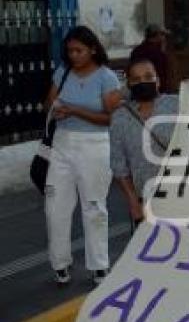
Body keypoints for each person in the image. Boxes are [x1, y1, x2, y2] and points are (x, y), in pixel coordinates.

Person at [45, 26, 122, 286]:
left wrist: (75, 110)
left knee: (94, 206)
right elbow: (49, 103)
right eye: (70, 50)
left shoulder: (106, 77)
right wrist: (55, 111)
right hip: (62, 144)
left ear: (92, 49)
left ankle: (99, 264)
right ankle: (59, 263)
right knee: (55, 207)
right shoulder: (63, 72)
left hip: (95, 145)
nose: (74, 55)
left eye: (79, 50)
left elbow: (111, 119)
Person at [110, 59, 178, 229]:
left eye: (148, 76)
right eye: (136, 79)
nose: (143, 82)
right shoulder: (120, 117)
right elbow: (118, 166)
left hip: (184, 194)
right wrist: (133, 201)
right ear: (129, 85)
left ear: (158, 80)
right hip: (146, 200)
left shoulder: (179, 104)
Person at [130, 24, 172, 93]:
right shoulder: (157, 53)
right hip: (156, 91)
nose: (164, 38)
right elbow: (163, 74)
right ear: (157, 36)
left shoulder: (136, 50)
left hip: (138, 89)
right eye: (163, 35)